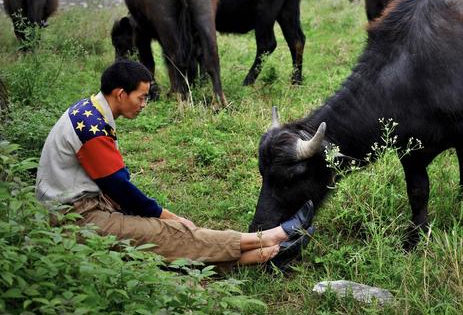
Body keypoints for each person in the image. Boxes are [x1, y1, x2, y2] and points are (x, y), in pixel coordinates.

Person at [35, 60, 314, 270]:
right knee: (168, 233)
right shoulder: (93, 129)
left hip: (80, 207)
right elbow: (119, 186)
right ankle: (271, 237)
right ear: (120, 94)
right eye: (141, 97)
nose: (144, 104)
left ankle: (264, 253)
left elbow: (112, 182)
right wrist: (165, 215)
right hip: (75, 219)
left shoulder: (88, 110)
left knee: (159, 241)